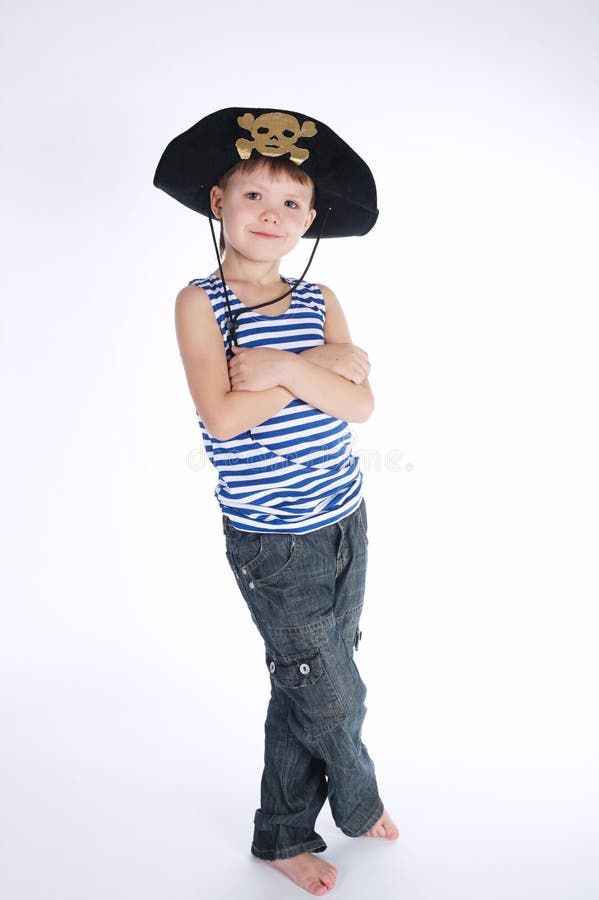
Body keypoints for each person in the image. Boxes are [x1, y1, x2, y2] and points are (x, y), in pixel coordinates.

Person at [154, 107, 398, 896]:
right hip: (274, 539)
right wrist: (315, 368)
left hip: (344, 518)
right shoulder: (202, 302)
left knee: (305, 680)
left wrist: (287, 366)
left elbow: (359, 408)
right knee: (330, 688)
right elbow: (222, 417)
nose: (272, 214)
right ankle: (357, 804)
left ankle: (283, 833)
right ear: (218, 202)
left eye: (291, 203)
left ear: (311, 219)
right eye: (254, 195)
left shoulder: (319, 296)